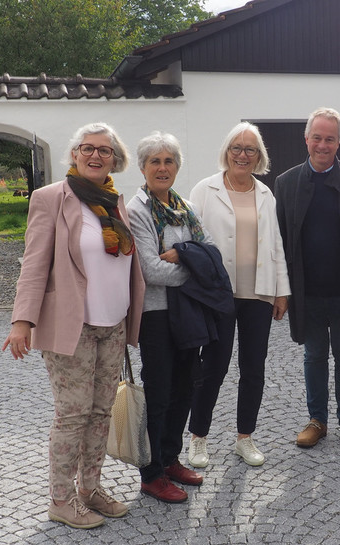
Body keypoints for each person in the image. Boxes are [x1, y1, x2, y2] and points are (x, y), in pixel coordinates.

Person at [3, 122, 145, 529]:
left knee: (101, 412)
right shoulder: (51, 198)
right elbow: (34, 264)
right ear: (75, 154)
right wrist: (22, 321)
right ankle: (60, 500)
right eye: (88, 148)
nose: (95, 155)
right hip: (73, 324)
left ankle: (90, 489)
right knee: (72, 414)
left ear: (115, 159)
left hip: (113, 323)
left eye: (104, 150)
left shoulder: (114, 203)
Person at [273, 107, 340, 451]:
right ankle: (316, 420)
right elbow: (279, 242)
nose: (323, 145)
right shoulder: (286, 183)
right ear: (306, 139)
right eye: (317, 138)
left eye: (329, 139)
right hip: (306, 291)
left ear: (338, 142)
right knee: (314, 356)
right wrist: (281, 290)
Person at [186, 122, 291, 468]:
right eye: (237, 148)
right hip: (218, 294)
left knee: (253, 368)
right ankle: (198, 437)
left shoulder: (265, 194)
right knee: (213, 367)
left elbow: (275, 244)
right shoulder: (205, 190)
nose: (242, 155)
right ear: (226, 152)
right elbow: (191, 241)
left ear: (259, 156)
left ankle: (245, 437)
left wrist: (281, 291)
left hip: (258, 293)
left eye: (250, 150)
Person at [127, 131, 218, 503]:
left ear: (177, 167)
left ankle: (169, 458)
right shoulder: (138, 210)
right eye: (155, 161)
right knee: (160, 392)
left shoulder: (185, 207)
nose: (162, 168)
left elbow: (211, 250)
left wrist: (183, 254)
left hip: (187, 312)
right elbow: (151, 270)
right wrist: (194, 264)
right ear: (143, 167)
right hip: (156, 315)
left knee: (184, 388)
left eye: (169, 161)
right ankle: (150, 473)